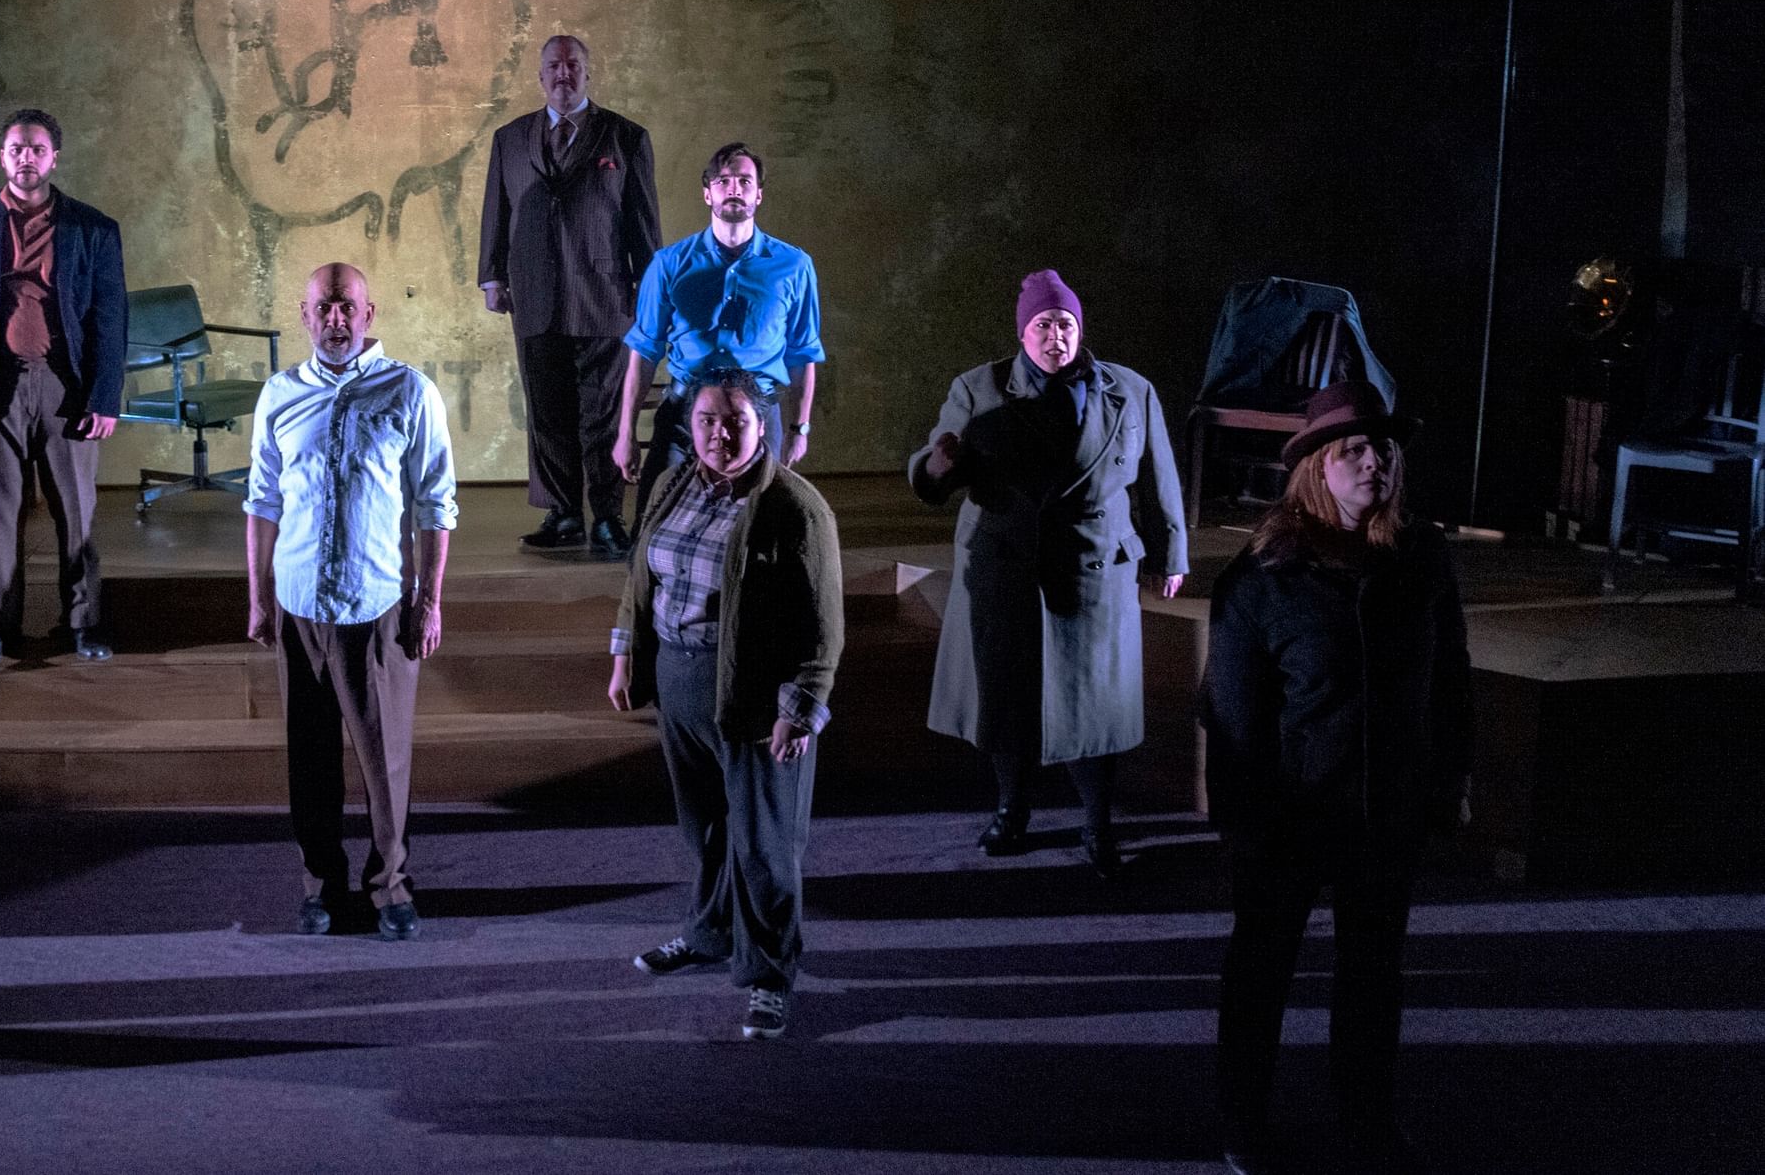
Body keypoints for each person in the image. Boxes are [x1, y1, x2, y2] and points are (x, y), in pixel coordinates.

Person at [1200, 380, 1471, 1175]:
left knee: (1373, 977)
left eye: (1382, 446)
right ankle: (1243, 1122)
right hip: (1291, 811)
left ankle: (1367, 1120)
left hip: (1385, 806)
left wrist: (1450, 779)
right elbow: (1234, 716)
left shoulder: (1419, 557)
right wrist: (1242, 827)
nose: (1373, 459)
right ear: (1316, 467)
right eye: (1352, 447)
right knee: (1262, 973)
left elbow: (1448, 678)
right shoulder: (1262, 578)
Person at [907, 269, 1186, 876]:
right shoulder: (979, 388)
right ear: (1022, 333)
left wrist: (1171, 554)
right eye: (1042, 324)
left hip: (1094, 566)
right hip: (1006, 565)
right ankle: (1012, 810)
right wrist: (936, 464)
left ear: (1079, 328)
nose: (1054, 335)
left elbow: (1159, 478)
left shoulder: (1129, 390)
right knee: (1006, 700)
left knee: (1096, 707)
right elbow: (936, 468)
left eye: (1065, 323)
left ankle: (1097, 821)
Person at [610, 369, 843, 1040]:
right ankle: (709, 934)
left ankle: (770, 975)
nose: (720, 432)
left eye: (735, 418)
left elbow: (824, 624)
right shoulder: (672, 483)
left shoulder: (795, 506)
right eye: (707, 419)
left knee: (765, 845)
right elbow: (640, 572)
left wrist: (801, 707)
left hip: (750, 691)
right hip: (679, 681)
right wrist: (626, 651)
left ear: (763, 424)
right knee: (705, 829)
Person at [244, 263, 458, 941]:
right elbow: (262, 500)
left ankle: (390, 885)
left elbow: (435, 503)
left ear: (370, 316)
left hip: (376, 603)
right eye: (323, 308)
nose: (336, 319)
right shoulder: (279, 396)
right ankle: (320, 886)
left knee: (384, 762)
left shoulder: (410, 392)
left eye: (348, 308)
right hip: (301, 603)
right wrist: (259, 597)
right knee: (308, 763)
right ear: (304, 318)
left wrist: (430, 599)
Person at [0, 108, 128, 663]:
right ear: (2, 155)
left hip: (67, 388)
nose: (26, 157)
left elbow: (111, 318)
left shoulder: (93, 228)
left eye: (37, 149)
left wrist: (105, 396)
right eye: (16, 147)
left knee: (77, 512)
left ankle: (83, 624)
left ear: (54, 158)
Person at [478, 34, 662, 557]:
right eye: (554, 66)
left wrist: (652, 293)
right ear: (540, 77)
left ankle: (606, 516)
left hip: (604, 298)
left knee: (602, 415)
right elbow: (498, 211)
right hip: (534, 296)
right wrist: (492, 276)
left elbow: (644, 226)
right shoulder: (510, 139)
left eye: (573, 64)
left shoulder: (625, 138)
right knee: (548, 412)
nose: (564, 74)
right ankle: (562, 514)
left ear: (588, 72)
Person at [612, 143, 825, 517]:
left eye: (745, 180)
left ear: (759, 193)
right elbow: (644, 352)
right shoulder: (668, 264)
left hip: (758, 415)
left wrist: (800, 428)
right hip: (683, 414)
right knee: (654, 524)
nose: (734, 188)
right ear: (707, 192)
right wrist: (626, 432)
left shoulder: (794, 265)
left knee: (757, 530)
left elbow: (803, 353)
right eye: (723, 180)